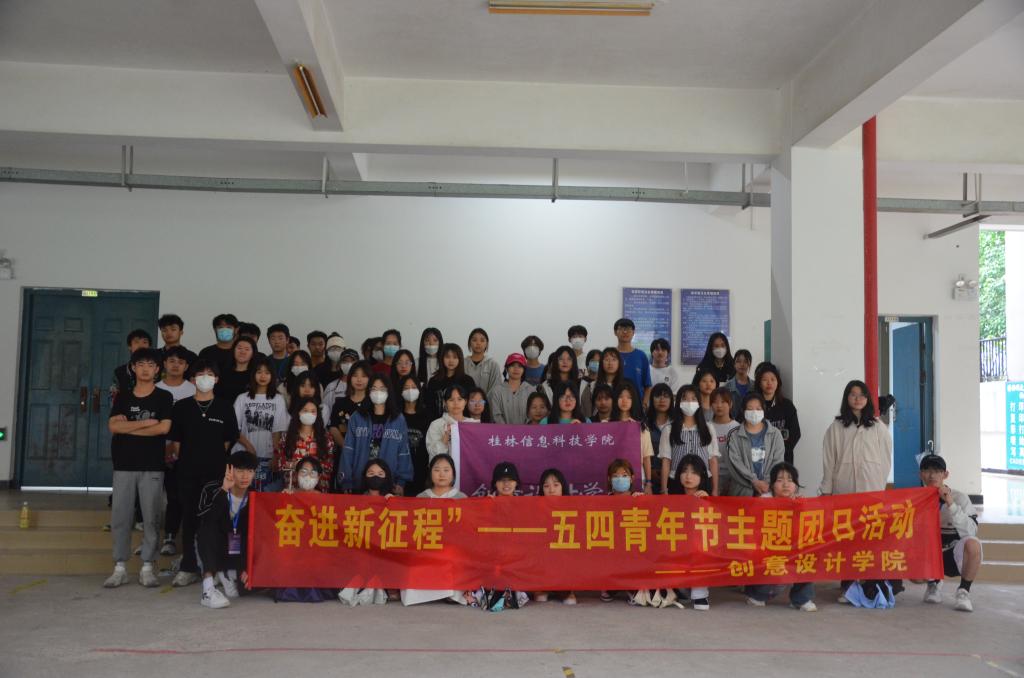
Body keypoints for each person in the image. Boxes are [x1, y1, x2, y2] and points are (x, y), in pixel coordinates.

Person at [103, 348, 173, 589]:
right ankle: (119, 567)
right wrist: (145, 423)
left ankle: (147, 567)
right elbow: (114, 427)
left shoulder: (163, 397)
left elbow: (163, 428)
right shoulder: (123, 397)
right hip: (124, 464)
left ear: (157, 369)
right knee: (120, 517)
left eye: (150, 365)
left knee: (151, 517)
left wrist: (129, 427)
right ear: (133, 368)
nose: (145, 369)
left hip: (152, 465)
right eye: (140, 364)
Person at [820, 380, 895, 605]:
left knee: (869, 538)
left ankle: (869, 584)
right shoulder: (836, 427)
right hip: (844, 490)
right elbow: (829, 460)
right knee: (847, 539)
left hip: (871, 491)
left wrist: (878, 484)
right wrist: (827, 490)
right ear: (847, 398)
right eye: (853, 394)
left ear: (868, 399)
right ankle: (848, 586)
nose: (857, 399)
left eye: (862, 395)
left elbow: (886, 458)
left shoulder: (878, 426)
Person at [168, 359, 239, 588]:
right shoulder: (182, 407)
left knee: (214, 521)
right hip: (187, 472)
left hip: (216, 474)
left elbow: (228, 440)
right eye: (201, 374)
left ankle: (213, 567)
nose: (205, 377)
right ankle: (188, 567)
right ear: (193, 379)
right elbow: (176, 442)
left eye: (210, 374)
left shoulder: (225, 407)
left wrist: (213, 458)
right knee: (189, 520)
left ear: (216, 379)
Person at [744, 462, 817, 612]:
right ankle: (756, 594)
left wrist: (802, 508)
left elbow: (808, 533)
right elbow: (753, 534)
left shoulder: (800, 502)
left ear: (795, 485)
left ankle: (801, 599)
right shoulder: (762, 502)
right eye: (780, 480)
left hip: (790, 552)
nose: (785, 484)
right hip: (767, 553)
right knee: (765, 586)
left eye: (790, 480)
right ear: (771, 485)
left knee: (808, 555)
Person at [402, 454, 472, 606]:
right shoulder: (421, 497)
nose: (441, 474)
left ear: (453, 474)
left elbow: (467, 530)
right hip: (426, 547)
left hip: (452, 548)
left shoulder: (461, 498)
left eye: (446, 470)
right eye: (437, 470)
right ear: (430, 473)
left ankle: (450, 594)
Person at [195, 450, 257, 609]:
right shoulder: (212, 489)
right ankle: (208, 589)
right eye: (240, 470)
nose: (245, 476)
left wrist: (249, 567)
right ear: (229, 470)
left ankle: (228, 571)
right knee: (206, 530)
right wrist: (223, 490)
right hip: (217, 545)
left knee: (245, 590)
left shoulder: (256, 497)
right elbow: (207, 520)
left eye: (250, 471)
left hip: (239, 549)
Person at [919, 454, 981, 612]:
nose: (932, 475)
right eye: (927, 470)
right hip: (929, 555)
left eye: (937, 471)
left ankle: (963, 591)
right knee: (912, 567)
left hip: (953, 556)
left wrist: (950, 503)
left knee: (973, 544)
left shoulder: (960, 498)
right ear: (921, 474)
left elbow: (971, 531)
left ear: (945, 474)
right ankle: (933, 584)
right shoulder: (915, 499)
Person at [276, 455, 339, 604]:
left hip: (316, 545)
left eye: (312, 473)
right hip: (293, 544)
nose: (308, 476)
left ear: (319, 477)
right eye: (303, 472)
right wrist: (281, 500)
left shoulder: (325, 499)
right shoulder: (288, 494)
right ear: (296, 475)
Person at [338, 375, 412, 494]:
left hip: (389, 483)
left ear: (389, 392)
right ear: (368, 391)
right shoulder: (357, 417)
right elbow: (348, 450)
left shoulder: (398, 419)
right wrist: (346, 481)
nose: (378, 393)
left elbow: (403, 452)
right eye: (374, 389)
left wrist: (401, 482)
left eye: (382, 389)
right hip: (359, 481)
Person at [155, 345, 196, 556]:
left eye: (180, 362)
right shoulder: (155, 388)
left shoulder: (193, 390)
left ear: (186, 366)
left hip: (183, 452)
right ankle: (149, 538)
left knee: (176, 496)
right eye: (171, 361)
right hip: (155, 449)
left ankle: (170, 537)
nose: (176, 365)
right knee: (151, 496)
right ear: (164, 364)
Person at [474, 462, 530, 611]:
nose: (506, 484)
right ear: (495, 483)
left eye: (510, 480)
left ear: (516, 483)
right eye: (502, 480)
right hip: (492, 556)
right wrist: (487, 508)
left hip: (516, 557)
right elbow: (479, 536)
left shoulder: (525, 505)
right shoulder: (486, 503)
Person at [232, 356, 288, 491]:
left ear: (272, 376)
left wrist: (276, 455)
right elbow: (233, 429)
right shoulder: (242, 398)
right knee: (242, 494)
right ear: (253, 374)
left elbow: (278, 430)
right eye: (259, 372)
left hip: (268, 458)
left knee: (264, 496)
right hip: (244, 456)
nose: (263, 376)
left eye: (267, 372)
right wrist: (249, 446)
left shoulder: (278, 399)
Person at [660, 384, 719, 495]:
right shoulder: (669, 429)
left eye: (693, 399)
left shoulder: (708, 428)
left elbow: (713, 460)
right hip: (677, 481)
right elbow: (666, 461)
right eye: (685, 399)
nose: (689, 402)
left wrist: (715, 489)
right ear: (678, 402)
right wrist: (664, 489)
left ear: (699, 403)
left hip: (702, 481)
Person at [600, 459, 643, 603]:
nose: (620, 479)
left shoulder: (638, 498)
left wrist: (644, 502)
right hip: (612, 547)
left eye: (624, 475)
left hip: (633, 546)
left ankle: (632, 587)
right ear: (609, 479)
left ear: (632, 478)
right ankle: (610, 585)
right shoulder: (604, 501)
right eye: (615, 476)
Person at [674, 454, 713, 610]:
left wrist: (708, 502)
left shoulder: (708, 498)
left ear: (702, 476)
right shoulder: (670, 499)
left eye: (694, 472)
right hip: (676, 547)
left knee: (700, 549)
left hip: (699, 549)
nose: (688, 476)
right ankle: (681, 590)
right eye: (684, 471)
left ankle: (700, 593)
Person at [727, 392, 785, 497]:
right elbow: (734, 465)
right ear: (743, 411)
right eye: (750, 409)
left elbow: (778, 461)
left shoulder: (775, 434)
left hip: (768, 492)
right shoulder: (733, 435)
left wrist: (766, 483)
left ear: (763, 410)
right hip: (742, 494)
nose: (754, 412)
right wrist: (754, 482)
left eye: (758, 409)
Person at [533, 468, 576, 605]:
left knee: (570, 601)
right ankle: (541, 586)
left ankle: (567, 588)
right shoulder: (533, 508)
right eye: (546, 486)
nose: (551, 490)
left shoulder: (574, 507)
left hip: (565, 560)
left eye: (556, 485)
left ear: (563, 487)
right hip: (543, 561)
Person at [275, 397, 334, 492]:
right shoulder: (287, 437)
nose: (309, 414)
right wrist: (298, 466)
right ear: (298, 413)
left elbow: (329, 466)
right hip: (292, 490)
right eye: (305, 410)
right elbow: (280, 463)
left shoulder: (326, 438)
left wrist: (312, 469)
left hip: (318, 491)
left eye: (313, 411)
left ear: (317, 415)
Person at [611, 382, 654, 493]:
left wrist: (648, 483)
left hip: (637, 479)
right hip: (613, 480)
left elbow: (646, 458)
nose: (624, 400)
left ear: (634, 400)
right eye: (621, 397)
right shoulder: (607, 425)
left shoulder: (641, 427)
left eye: (629, 397)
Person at [757, 362, 802, 465]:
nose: (769, 383)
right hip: (760, 459)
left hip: (783, 459)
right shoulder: (753, 405)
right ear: (759, 383)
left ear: (778, 382)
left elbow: (795, 433)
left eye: (773, 379)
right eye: (765, 380)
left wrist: (779, 453)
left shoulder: (787, 405)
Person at [421, 343, 476, 421]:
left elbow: (471, 405)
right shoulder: (434, 381)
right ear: (442, 358)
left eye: (455, 357)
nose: (451, 360)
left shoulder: (467, 381)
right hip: (439, 423)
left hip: (462, 423)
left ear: (460, 359)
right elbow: (429, 407)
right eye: (447, 357)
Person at [397, 375, 431, 496]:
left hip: (421, 470)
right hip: (400, 472)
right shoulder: (396, 416)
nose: (410, 391)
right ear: (400, 391)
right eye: (406, 387)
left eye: (413, 387)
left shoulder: (427, 416)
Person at [426, 384, 479, 459]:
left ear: (465, 402)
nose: (456, 403)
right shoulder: (436, 425)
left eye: (460, 399)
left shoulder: (473, 424)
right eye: (451, 400)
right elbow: (433, 454)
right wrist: (446, 437)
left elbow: (478, 452)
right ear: (445, 403)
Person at [327, 360, 372, 449]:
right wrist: (347, 447)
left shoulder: (373, 404)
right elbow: (333, 427)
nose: (359, 379)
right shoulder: (340, 403)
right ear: (350, 377)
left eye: (363, 376)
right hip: (344, 451)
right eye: (355, 375)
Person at [613, 318, 652, 406]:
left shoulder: (641, 356)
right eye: (621, 329)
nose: (625, 332)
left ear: (633, 332)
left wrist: (644, 404)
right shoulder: (611, 355)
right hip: (614, 404)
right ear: (615, 332)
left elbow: (648, 385)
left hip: (637, 405)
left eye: (628, 329)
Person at [709, 387, 740, 496]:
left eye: (723, 402)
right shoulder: (707, 427)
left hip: (734, 477)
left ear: (730, 404)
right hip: (711, 477)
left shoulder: (738, 428)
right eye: (715, 402)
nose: (719, 405)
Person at [489, 353, 535, 425]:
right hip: (502, 431)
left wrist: (524, 429)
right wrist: (507, 430)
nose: (516, 369)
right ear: (507, 369)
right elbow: (496, 415)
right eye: (512, 365)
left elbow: (533, 415)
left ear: (524, 370)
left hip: (526, 431)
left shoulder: (531, 391)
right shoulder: (497, 391)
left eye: (520, 366)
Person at [110, 329, 153, 406]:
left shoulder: (156, 370)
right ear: (129, 346)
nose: (141, 346)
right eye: (136, 342)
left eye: (144, 342)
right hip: (125, 412)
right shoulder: (119, 372)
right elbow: (113, 400)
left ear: (149, 347)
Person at [645, 383, 674, 494]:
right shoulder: (644, 423)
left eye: (666, 396)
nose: (662, 399)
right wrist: (650, 471)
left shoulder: (678, 423)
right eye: (658, 396)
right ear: (652, 399)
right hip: (649, 477)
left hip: (673, 477)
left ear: (671, 400)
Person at [581, 347, 625, 418]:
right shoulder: (592, 386)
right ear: (601, 363)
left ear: (619, 363)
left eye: (614, 359)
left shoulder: (625, 386)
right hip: (597, 423)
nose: (610, 363)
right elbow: (586, 414)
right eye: (607, 359)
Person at [213, 336, 256, 403]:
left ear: (253, 354)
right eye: (239, 348)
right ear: (233, 350)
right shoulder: (222, 372)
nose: (242, 352)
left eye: (247, 349)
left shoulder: (256, 375)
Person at [321, 347, 359, 421]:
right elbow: (325, 412)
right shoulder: (331, 387)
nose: (349, 364)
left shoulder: (363, 386)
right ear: (340, 364)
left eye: (352, 361)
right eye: (345, 361)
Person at [462, 328, 500, 395]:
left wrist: (482, 400)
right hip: (465, 401)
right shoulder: (462, 363)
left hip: (486, 401)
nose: (478, 343)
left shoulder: (493, 364)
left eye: (482, 340)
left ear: (487, 344)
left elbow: (496, 388)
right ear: (469, 343)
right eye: (474, 340)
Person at [723, 349, 753, 414]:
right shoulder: (727, 386)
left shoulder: (755, 386)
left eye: (745, 361)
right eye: (738, 361)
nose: (742, 364)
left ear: (749, 364)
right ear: (734, 364)